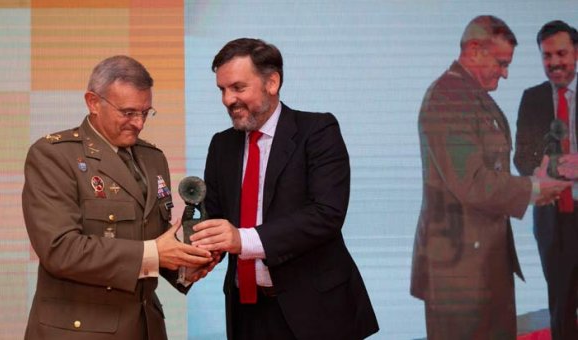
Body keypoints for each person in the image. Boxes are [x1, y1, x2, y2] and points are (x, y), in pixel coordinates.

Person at [189, 38, 379, 340]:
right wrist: (196, 250)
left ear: (272, 82)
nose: (227, 99)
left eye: (238, 88)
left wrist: (242, 239)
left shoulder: (317, 131)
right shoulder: (221, 144)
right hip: (247, 312)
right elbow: (216, 218)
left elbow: (326, 214)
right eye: (222, 90)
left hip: (315, 312)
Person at [22, 55, 215, 339]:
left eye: (145, 112)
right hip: (82, 330)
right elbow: (59, 250)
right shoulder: (54, 155)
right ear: (93, 102)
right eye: (127, 112)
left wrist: (186, 265)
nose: (138, 123)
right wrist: (156, 253)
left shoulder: (153, 158)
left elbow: (154, 238)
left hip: (144, 327)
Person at [410, 15, 571, 339]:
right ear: (474, 50)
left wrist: (534, 178)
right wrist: (532, 188)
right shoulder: (448, 99)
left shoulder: (470, 95)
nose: (506, 73)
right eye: (501, 63)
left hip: (480, 259)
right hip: (459, 270)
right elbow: (471, 182)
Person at [514, 20, 578, 340]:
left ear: (576, 53)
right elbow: (521, 159)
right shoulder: (533, 98)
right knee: (561, 303)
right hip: (554, 217)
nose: (554, 62)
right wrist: (555, 167)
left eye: (561, 53)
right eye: (546, 55)